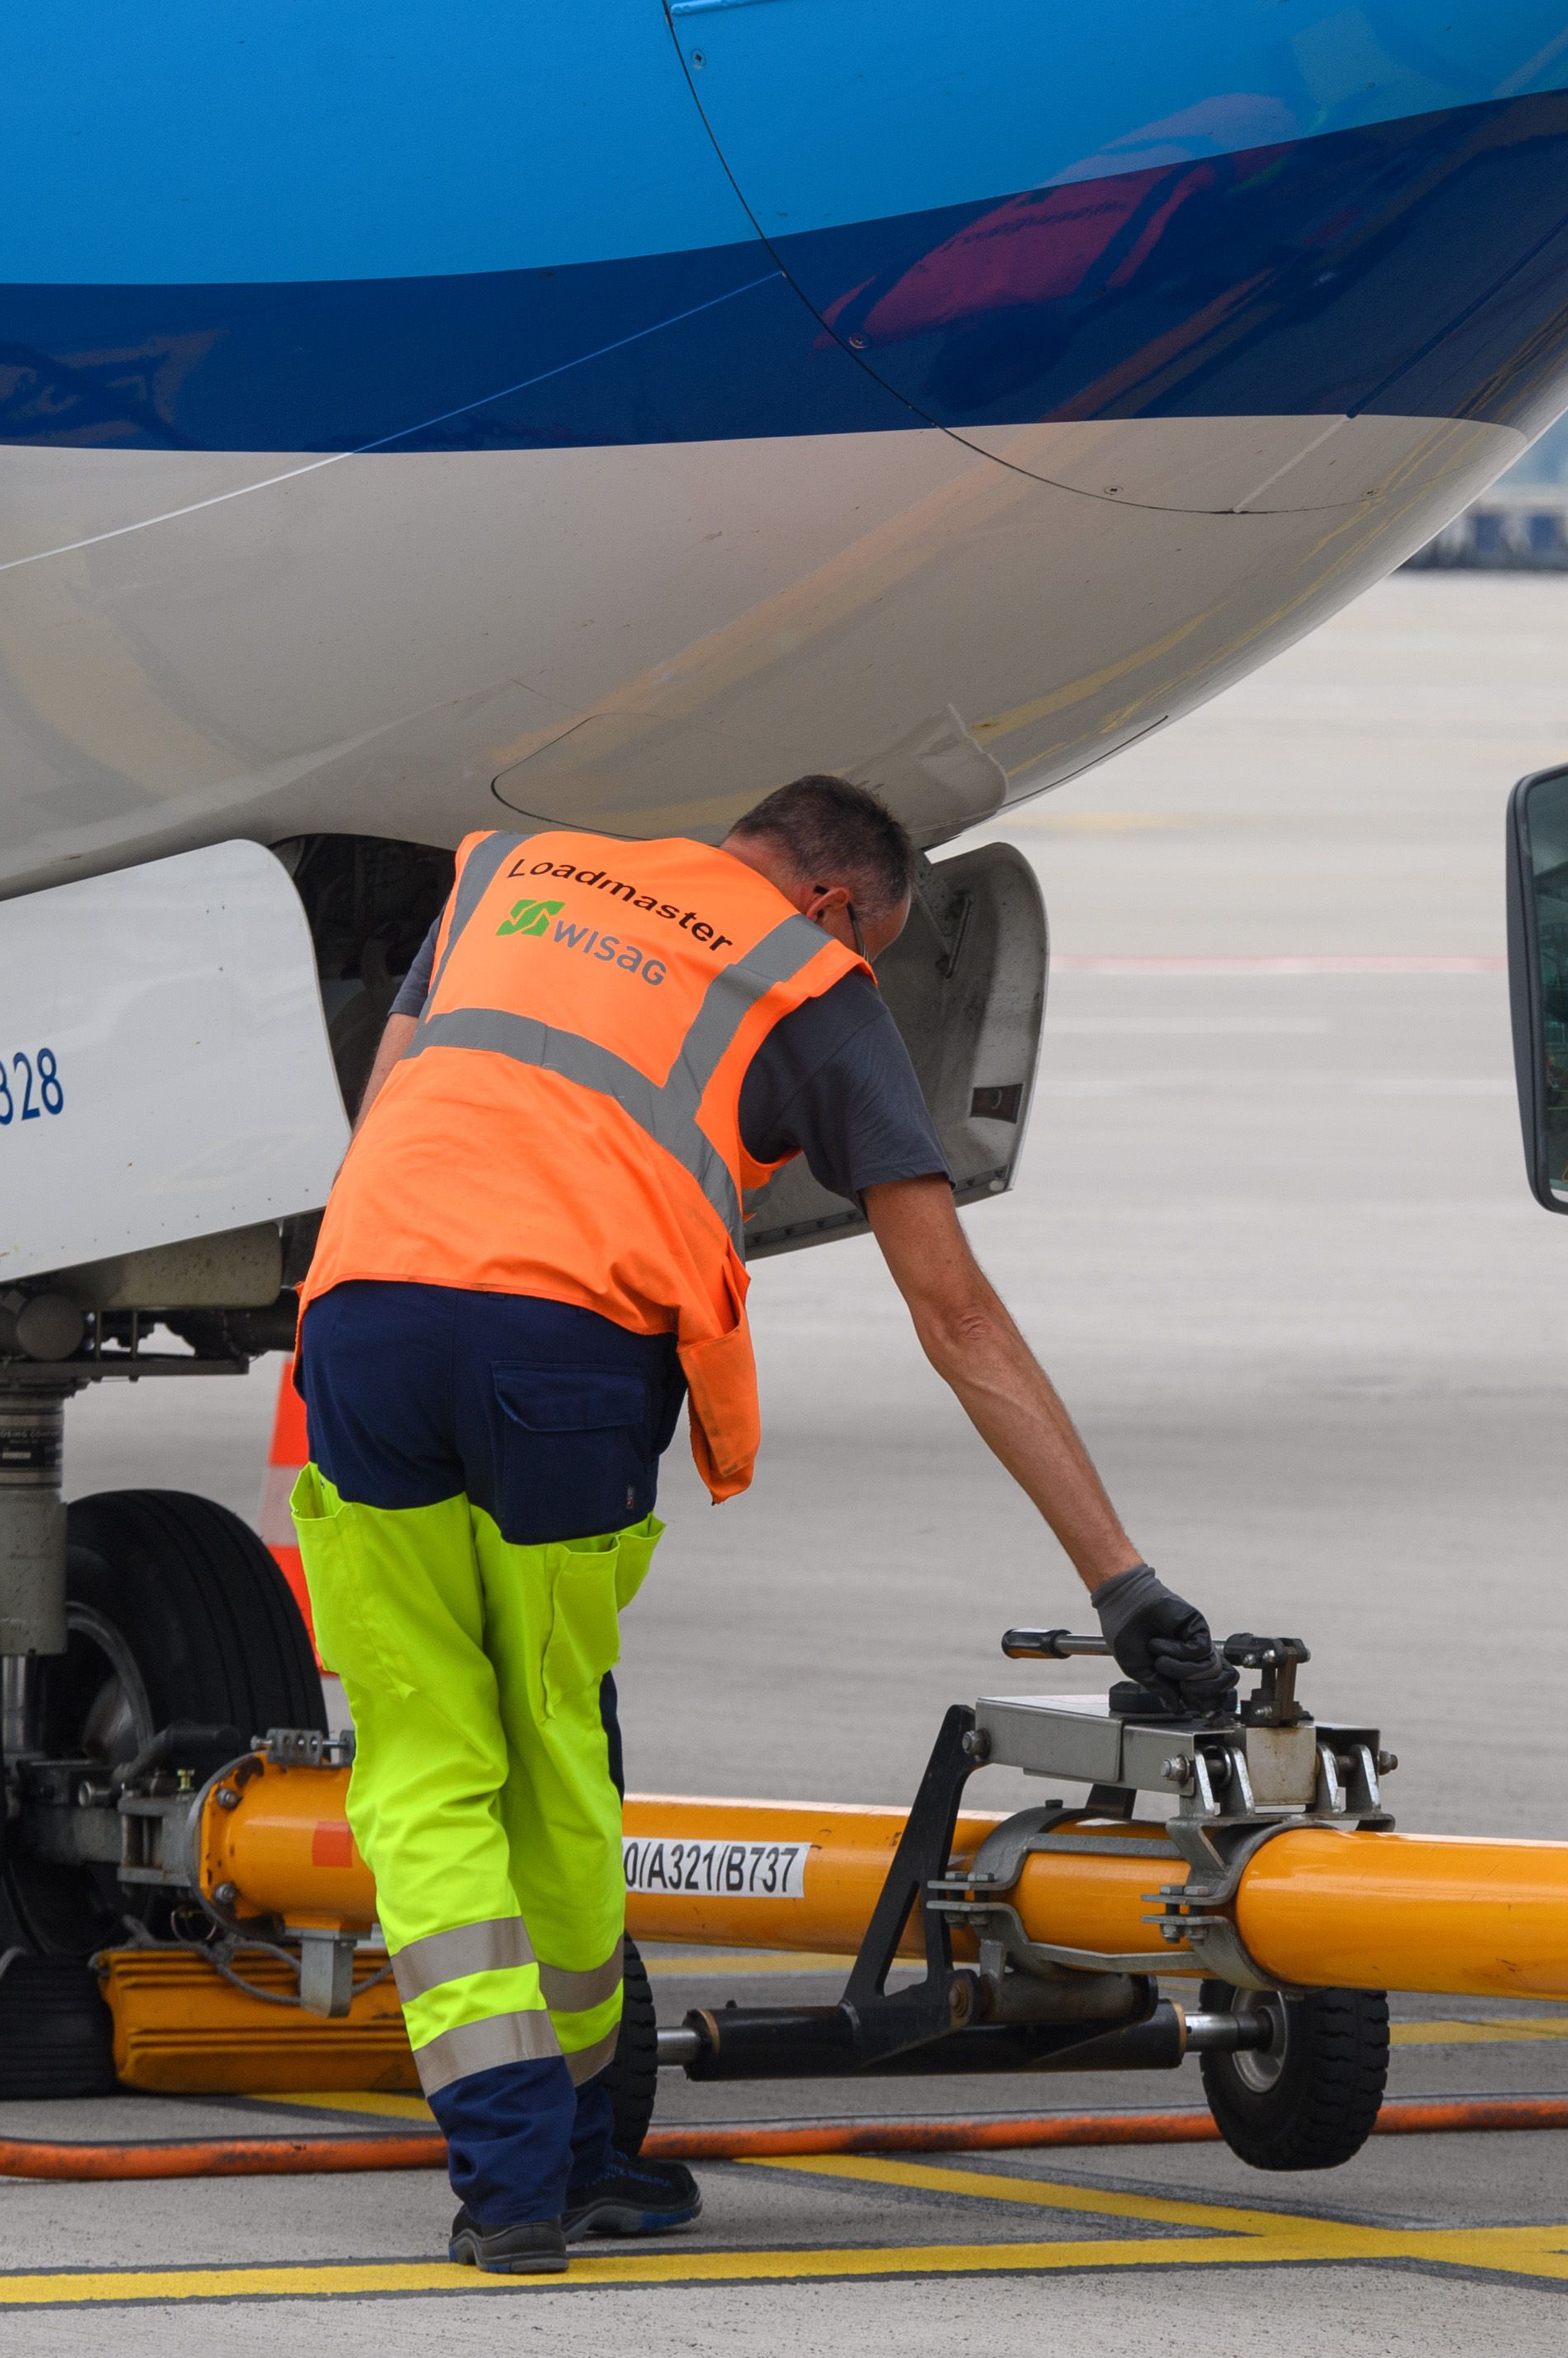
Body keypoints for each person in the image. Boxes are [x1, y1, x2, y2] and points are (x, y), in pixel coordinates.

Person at [292, 774, 1237, 2274]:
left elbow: (387, 1108)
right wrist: (1119, 1578)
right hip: (566, 1354)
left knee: (423, 1759)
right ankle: (570, 2164)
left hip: (366, 1318)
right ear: (837, 907)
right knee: (551, 1743)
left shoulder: (510, 871)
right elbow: (955, 1312)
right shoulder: (810, 980)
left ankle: (522, 2174)